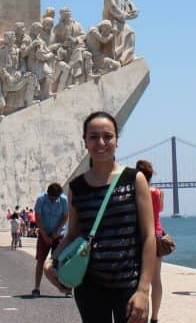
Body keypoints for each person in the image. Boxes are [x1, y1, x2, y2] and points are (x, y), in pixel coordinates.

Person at [59, 111, 155, 323]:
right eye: (93, 137)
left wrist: (143, 290)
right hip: (89, 287)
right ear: (85, 141)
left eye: (107, 136)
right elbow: (73, 235)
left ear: (117, 141)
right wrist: (53, 262)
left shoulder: (134, 179)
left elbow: (149, 236)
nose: (101, 143)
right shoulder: (76, 187)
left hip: (129, 285)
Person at [136, 160, 166, 322]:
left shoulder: (136, 191)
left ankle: (142, 316)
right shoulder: (158, 192)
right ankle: (155, 317)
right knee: (156, 279)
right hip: (158, 235)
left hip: (141, 236)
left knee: (141, 279)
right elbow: (160, 210)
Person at [32, 182, 69, 297]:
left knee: (61, 261)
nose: (53, 200)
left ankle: (66, 288)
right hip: (44, 232)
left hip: (58, 234)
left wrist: (56, 232)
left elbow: (65, 217)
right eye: (51, 198)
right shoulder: (41, 199)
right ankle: (36, 288)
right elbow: (38, 218)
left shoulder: (63, 200)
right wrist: (44, 236)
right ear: (47, 194)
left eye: (56, 198)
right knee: (40, 260)